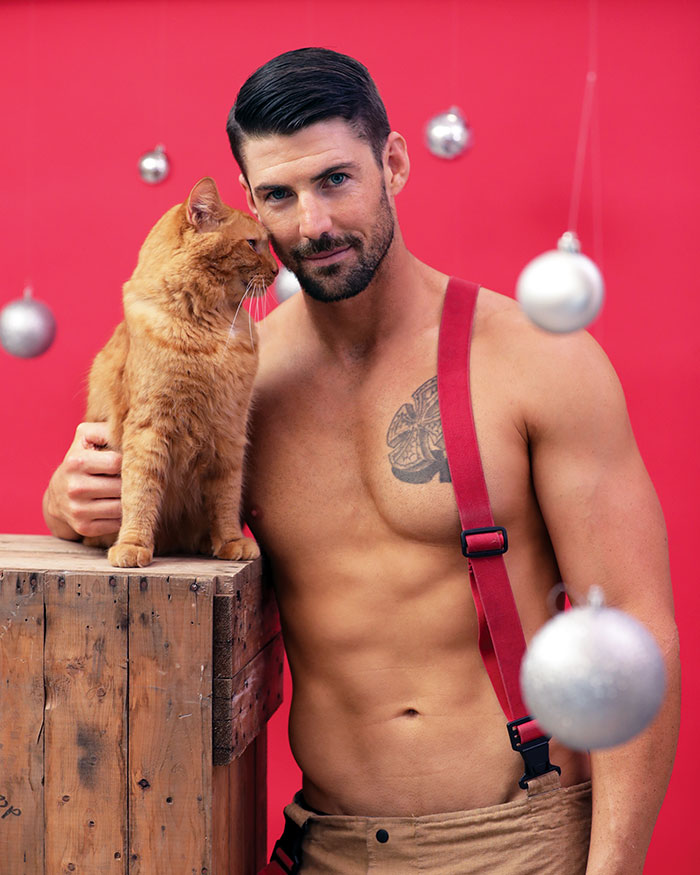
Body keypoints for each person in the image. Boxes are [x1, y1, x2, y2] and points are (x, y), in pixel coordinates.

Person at [43, 48, 679, 874]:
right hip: (323, 845)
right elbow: (158, 528)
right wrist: (70, 506)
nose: (312, 223)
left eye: (336, 179)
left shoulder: (535, 360)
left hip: (510, 844)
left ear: (396, 162)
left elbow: (636, 629)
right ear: (248, 205)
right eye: (279, 194)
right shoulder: (243, 378)